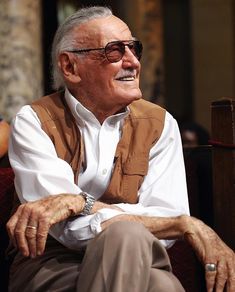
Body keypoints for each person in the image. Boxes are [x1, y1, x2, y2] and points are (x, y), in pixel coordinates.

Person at [6, 6, 234, 292]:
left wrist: (79, 203)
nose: (132, 62)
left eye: (134, 48)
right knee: (162, 285)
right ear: (70, 67)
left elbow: (165, 220)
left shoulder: (161, 124)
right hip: (52, 264)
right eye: (114, 51)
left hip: (143, 256)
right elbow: (65, 230)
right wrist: (177, 223)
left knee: (130, 239)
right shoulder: (34, 121)